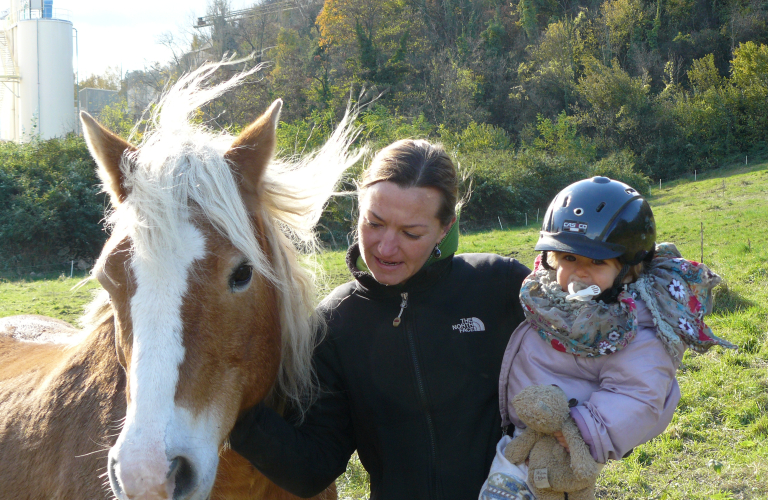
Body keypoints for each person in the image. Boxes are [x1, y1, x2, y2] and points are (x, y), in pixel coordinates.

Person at [229, 139, 531, 499]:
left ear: (445, 227)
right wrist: (238, 411)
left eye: (411, 233)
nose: (386, 248)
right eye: (374, 223)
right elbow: (313, 469)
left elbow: (590, 381)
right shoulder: (335, 323)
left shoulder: (501, 285)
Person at [480, 176, 735, 499]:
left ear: (629, 270)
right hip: (523, 436)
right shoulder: (548, 301)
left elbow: (639, 395)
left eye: (597, 262)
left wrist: (585, 428)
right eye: (569, 258)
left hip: (568, 446)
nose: (580, 272)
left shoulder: (633, 330)